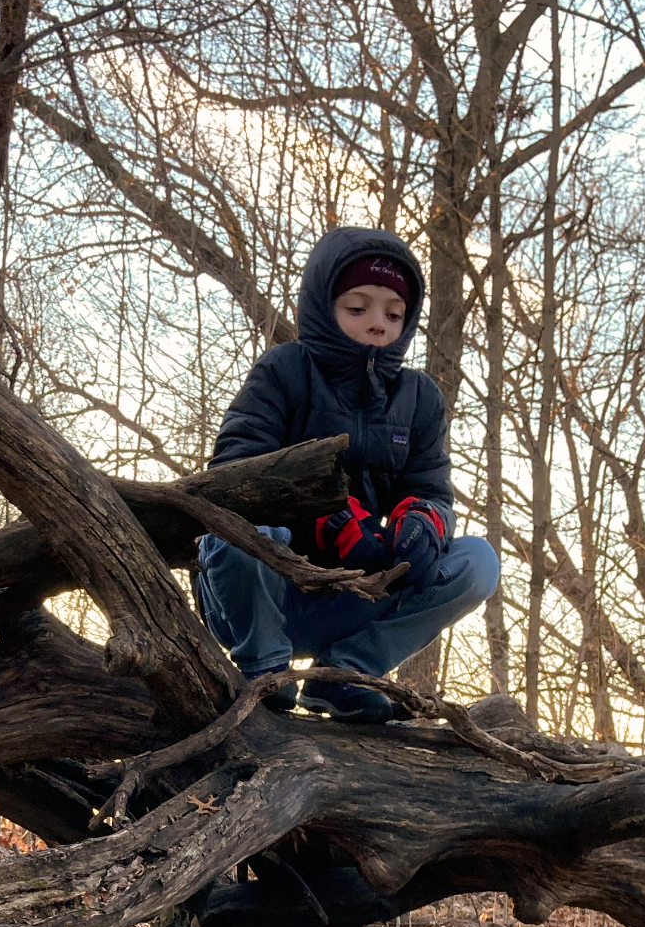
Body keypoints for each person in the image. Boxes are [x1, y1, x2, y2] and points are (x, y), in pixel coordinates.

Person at [194, 227, 500, 723]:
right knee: (236, 532)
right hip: (259, 593)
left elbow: (431, 489)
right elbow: (232, 475)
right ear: (324, 306)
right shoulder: (283, 369)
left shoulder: (420, 398)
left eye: (394, 313)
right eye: (358, 308)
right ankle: (262, 671)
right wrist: (330, 521)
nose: (378, 324)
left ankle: (347, 672)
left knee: (477, 562)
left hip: (352, 593)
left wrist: (421, 524)